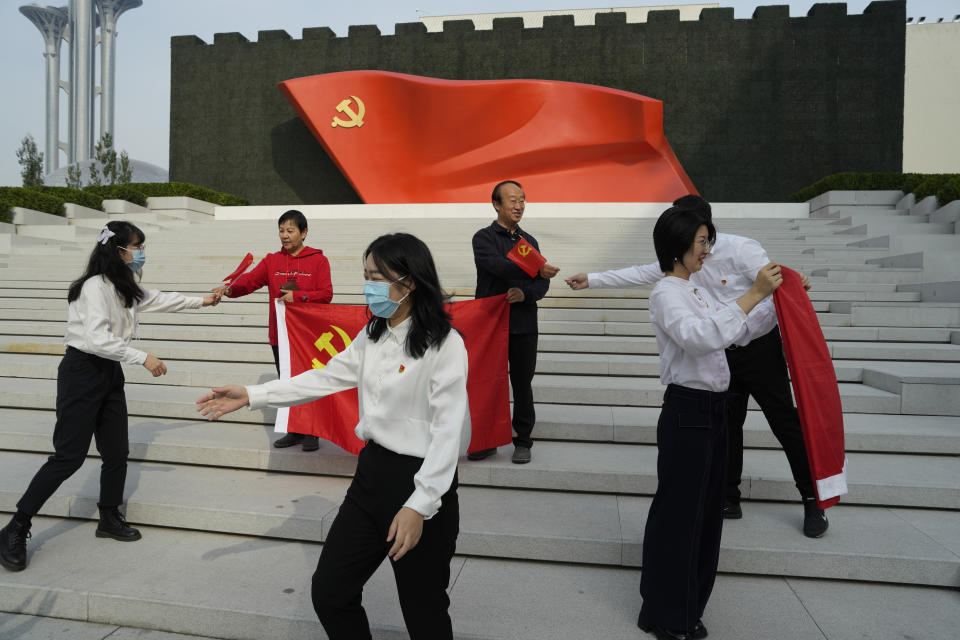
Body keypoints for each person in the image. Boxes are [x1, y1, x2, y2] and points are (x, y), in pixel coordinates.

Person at [196, 233, 468, 640]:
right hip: (371, 478)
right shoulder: (372, 333)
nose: (368, 286)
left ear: (408, 282)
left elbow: (449, 434)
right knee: (330, 593)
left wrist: (420, 505)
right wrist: (254, 394)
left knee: (423, 610)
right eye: (365, 275)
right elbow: (325, 377)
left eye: (376, 276)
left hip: (421, 484)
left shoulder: (444, 345)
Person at [565, 195, 828, 538]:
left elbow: (771, 287)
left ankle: (811, 498)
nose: (698, 244)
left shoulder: (740, 250)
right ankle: (728, 497)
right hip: (720, 351)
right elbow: (643, 272)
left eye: (701, 236)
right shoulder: (683, 262)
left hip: (758, 349)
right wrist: (594, 279)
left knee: (784, 421)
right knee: (728, 424)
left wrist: (759, 311)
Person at [0, 221, 220, 573]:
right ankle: (15, 527)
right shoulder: (94, 288)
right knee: (68, 457)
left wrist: (203, 301)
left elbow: (158, 298)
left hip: (108, 374)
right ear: (117, 249)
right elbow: (98, 340)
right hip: (82, 372)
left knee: (116, 451)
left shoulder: (123, 284)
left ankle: (108, 517)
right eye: (136, 246)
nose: (140, 252)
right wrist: (143, 357)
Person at [637, 205, 781, 640]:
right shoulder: (667, 293)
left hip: (714, 411)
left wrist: (776, 297)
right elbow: (699, 338)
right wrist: (752, 294)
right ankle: (663, 613)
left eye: (707, 240)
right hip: (689, 412)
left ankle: (686, 607)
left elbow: (731, 331)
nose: (707, 250)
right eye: (701, 242)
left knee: (704, 519)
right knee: (680, 517)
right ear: (678, 248)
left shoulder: (694, 289)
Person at [213, 209, 333, 452]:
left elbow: (326, 294)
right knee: (286, 382)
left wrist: (299, 296)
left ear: (304, 233)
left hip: (308, 336)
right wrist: (229, 289)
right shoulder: (272, 261)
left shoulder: (319, 260)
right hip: (280, 335)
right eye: (281, 230)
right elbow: (249, 282)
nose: (285, 235)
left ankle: (312, 432)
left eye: (290, 230)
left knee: (309, 382)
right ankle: (294, 430)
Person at [469, 180, 559, 464]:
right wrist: (535, 268)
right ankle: (487, 440)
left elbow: (541, 286)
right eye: (512, 200)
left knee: (522, 384)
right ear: (496, 204)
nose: (519, 205)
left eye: (522, 199)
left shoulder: (528, 242)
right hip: (491, 324)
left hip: (523, 325)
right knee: (488, 384)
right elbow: (496, 266)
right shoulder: (483, 238)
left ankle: (523, 441)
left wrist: (525, 292)